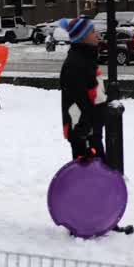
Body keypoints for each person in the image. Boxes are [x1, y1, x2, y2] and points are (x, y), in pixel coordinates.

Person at [58, 17, 107, 160]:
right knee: (89, 176)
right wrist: (83, 131)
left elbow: (93, 91)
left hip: (91, 130)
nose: (97, 35)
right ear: (82, 37)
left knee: (96, 174)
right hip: (83, 133)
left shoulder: (86, 58)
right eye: (93, 32)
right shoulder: (75, 64)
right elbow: (79, 100)